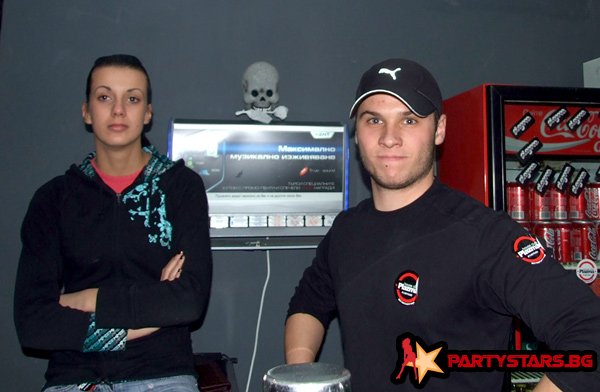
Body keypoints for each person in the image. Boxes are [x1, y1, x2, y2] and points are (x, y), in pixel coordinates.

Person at [284, 58, 600, 391]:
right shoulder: (346, 231)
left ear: (439, 130)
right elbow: (307, 303)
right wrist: (300, 377)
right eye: (374, 120)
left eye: (409, 120)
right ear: (357, 133)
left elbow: (591, 336)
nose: (389, 138)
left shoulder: (483, 236)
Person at [14, 54, 212, 391]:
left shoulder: (181, 187)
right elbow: (33, 322)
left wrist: (87, 298)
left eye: (132, 99)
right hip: (74, 378)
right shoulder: (53, 199)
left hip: (162, 375)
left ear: (147, 113)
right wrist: (142, 318)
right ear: (87, 111)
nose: (118, 110)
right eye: (105, 97)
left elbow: (188, 301)